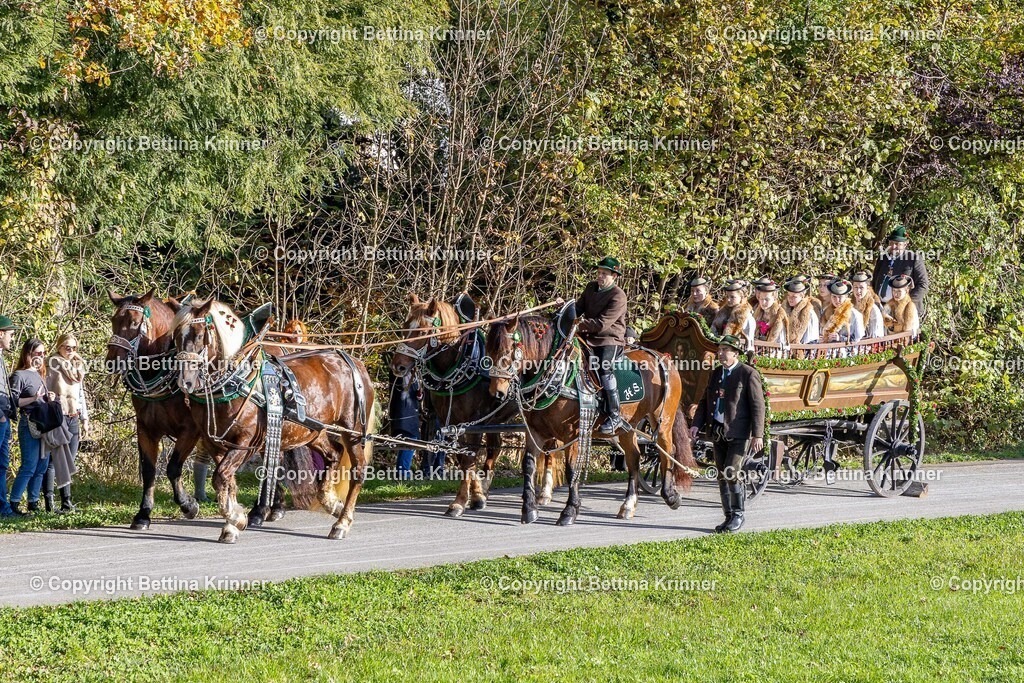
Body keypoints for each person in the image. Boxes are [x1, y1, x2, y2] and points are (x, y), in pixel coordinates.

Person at [690, 334, 765, 533]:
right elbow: (705, 401)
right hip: (718, 430)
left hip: (738, 432)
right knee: (721, 474)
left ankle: (738, 514)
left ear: (735, 353)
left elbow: (758, 406)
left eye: (725, 350)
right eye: (719, 350)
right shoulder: (716, 373)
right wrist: (696, 424)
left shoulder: (748, 374)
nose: (720, 353)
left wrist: (758, 435)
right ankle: (728, 516)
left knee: (731, 471)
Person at [576, 256, 628, 435]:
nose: (600, 276)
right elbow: (577, 309)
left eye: (604, 273)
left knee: (604, 368)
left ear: (614, 276)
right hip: (587, 336)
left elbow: (601, 324)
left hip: (609, 339)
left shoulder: (618, 296)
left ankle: (615, 415)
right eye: (599, 272)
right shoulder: (591, 287)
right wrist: (564, 311)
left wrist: (578, 325)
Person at [7, 339, 53, 516]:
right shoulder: (19, 375)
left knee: (42, 466)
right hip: (29, 423)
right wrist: (34, 398)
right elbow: (14, 402)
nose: (41, 356)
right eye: (38, 353)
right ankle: (14, 502)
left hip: (43, 424)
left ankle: (33, 502)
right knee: (29, 465)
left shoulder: (40, 374)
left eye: (43, 353)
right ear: (28, 354)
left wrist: (49, 398)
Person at [44, 334, 87, 513]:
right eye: (67, 347)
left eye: (74, 348)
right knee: (55, 461)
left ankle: (66, 502)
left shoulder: (77, 366)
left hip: (74, 415)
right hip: (58, 416)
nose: (70, 351)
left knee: (70, 460)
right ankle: (49, 502)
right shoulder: (51, 364)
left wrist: (85, 419)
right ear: (59, 346)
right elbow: (44, 389)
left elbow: (81, 394)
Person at [872, 226, 929, 316]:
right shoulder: (883, 257)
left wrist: (907, 304)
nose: (893, 246)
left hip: (904, 311)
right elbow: (875, 280)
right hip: (881, 308)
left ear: (905, 245)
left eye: (897, 244)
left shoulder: (913, 259)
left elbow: (923, 285)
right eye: (891, 243)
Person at [388, 362, 421, 479]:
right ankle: (403, 472)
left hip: (409, 412)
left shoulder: (413, 373)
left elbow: (414, 392)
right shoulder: (399, 371)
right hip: (404, 412)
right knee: (411, 441)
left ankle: (402, 471)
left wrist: (419, 395)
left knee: (408, 442)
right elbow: (403, 388)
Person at [0, 316, 17, 517]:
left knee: (2, 464)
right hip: (0, 418)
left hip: (4, 417)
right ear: (0, 334)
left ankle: (3, 508)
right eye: (10, 334)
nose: (12, 339)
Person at [711, 281, 755, 351]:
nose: (728, 300)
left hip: (737, 349)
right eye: (727, 296)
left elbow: (749, 340)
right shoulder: (722, 312)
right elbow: (713, 330)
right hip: (718, 347)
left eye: (732, 297)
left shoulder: (747, 317)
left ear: (741, 297)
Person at [752, 280, 789, 346]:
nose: (763, 302)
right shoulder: (758, 313)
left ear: (774, 298)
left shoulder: (779, 314)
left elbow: (781, 341)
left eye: (767, 299)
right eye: (761, 299)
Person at [782, 279, 819, 344]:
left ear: (802, 296)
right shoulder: (784, 310)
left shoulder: (809, 313)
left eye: (794, 296)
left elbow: (812, 339)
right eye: (789, 295)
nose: (790, 298)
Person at [851, 271, 885, 339]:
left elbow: (876, 334)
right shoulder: (850, 305)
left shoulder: (873, 309)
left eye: (861, 288)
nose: (858, 291)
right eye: (856, 287)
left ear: (867, 288)